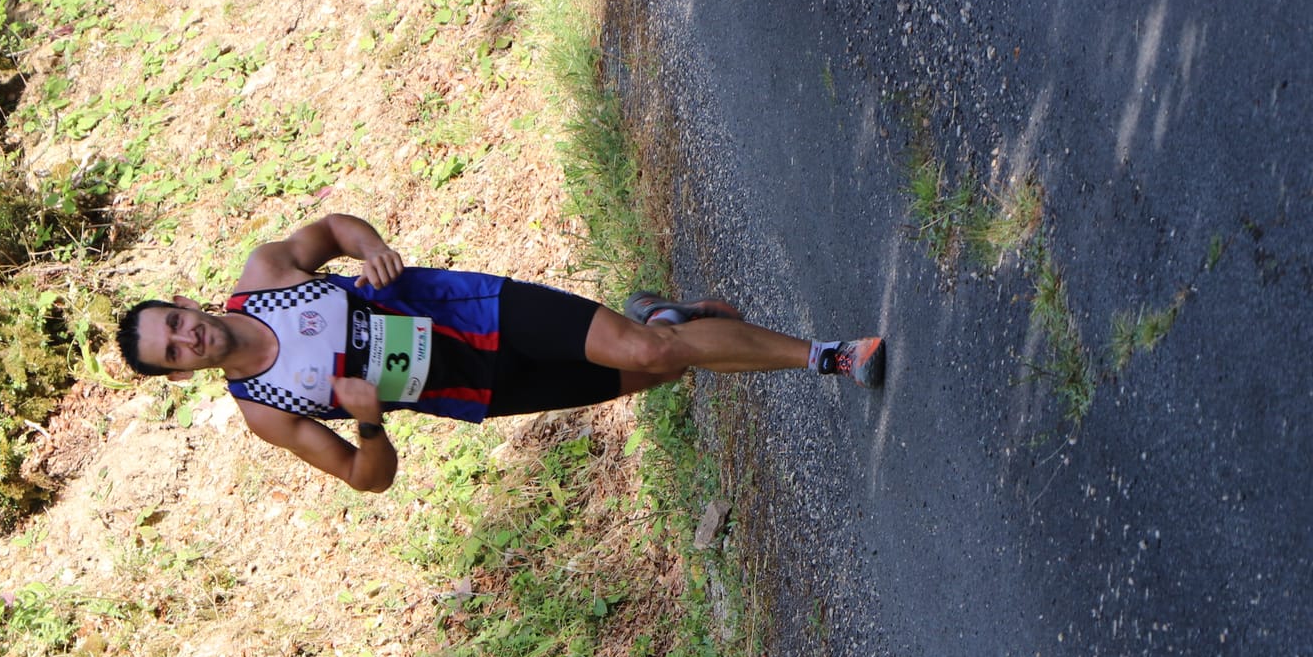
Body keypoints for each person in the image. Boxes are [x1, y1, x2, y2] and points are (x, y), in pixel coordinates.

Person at [114, 213, 885, 493]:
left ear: (184, 305)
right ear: (180, 374)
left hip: (471, 308)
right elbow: (364, 479)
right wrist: (370, 426)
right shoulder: (264, 410)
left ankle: (829, 356)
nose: (188, 340)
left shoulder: (265, 274)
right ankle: (670, 316)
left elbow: (335, 231)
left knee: (646, 349)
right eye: (174, 354)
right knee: (665, 361)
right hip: (472, 386)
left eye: (175, 326)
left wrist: (374, 248)